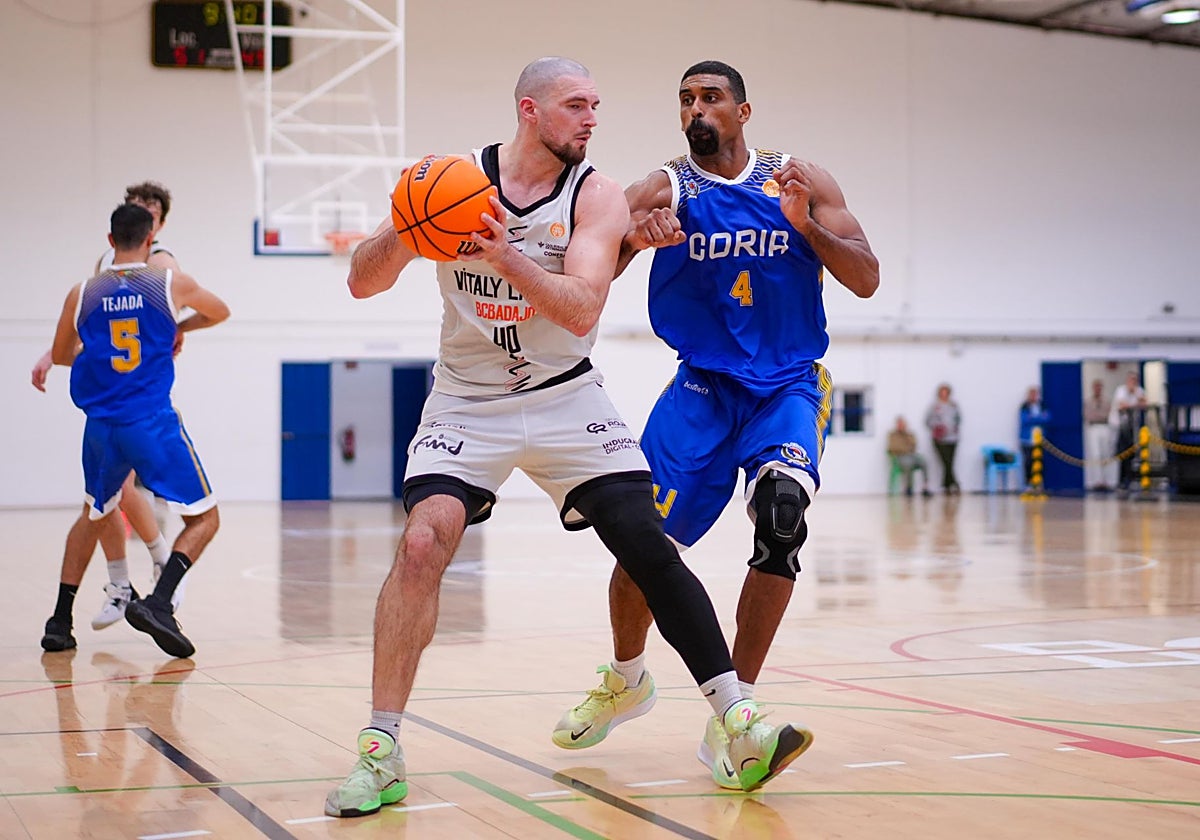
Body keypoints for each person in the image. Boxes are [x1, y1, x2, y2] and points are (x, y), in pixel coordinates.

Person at [324, 57, 810, 819]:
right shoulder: (450, 181)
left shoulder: (598, 195)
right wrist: (409, 234)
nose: (592, 119)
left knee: (648, 545)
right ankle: (380, 750)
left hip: (565, 396)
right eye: (577, 106)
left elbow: (582, 308)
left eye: (596, 105)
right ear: (530, 111)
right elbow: (361, 279)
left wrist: (502, 253)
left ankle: (738, 721)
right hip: (466, 401)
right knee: (424, 542)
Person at [552, 60, 878, 790]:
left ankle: (736, 714)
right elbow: (589, 264)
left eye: (711, 97)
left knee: (782, 516)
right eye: (686, 99)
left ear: (743, 110)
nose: (696, 108)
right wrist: (639, 239)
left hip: (787, 384)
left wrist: (807, 231)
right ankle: (626, 676)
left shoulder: (800, 181)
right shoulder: (663, 188)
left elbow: (865, 276)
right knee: (643, 545)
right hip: (700, 387)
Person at [39, 203, 229, 658]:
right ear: (150, 240)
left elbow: (63, 355)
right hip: (150, 422)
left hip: (101, 426)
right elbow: (220, 311)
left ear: (110, 241)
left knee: (94, 514)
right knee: (205, 517)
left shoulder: (82, 292)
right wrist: (175, 326)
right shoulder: (168, 282)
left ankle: (59, 621)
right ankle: (159, 603)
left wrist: (99, 344)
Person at [32, 181, 183, 630]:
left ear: (160, 224)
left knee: (110, 496)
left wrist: (182, 330)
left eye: (153, 209)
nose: (145, 213)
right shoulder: (106, 269)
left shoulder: (161, 262)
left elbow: (178, 314)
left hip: (138, 400)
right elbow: (85, 324)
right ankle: (119, 587)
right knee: (101, 503)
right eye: (139, 206)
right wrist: (51, 354)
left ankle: (151, 568)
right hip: (107, 393)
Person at [1109, 370, 1148, 494]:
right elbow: (1122, 405)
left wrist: (1135, 399)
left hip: (1132, 428)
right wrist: (1135, 403)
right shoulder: (1121, 390)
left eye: (1135, 380)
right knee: (1121, 454)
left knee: (1132, 454)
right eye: (1131, 380)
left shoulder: (1139, 390)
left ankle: (1130, 480)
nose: (1133, 383)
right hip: (1119, 426)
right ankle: (1120, 481)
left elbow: (1144, 403)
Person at [925, 383, 961, 494]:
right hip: (940, 439)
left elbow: (958, 419)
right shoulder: (934, 407)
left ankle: (947, 486)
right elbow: (928, 421)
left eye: (946, 392)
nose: (944, 395)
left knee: (950, 463)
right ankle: (955, 483)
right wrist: (937, 427)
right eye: (942, 392)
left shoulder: (953, 405)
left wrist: (954, 426)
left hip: (952, 438)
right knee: (946, 462)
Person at [1083, 379, 1115, 491]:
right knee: (1095, 454)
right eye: (1095, 387)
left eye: (1099, 387)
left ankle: (1107, 480)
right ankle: (1097, 480)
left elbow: (1106, 414)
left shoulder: (1106, 401)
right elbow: (1088, 416)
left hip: (1104, 427)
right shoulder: (1088, 402)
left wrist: (1097, 415)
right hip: (1093, 427)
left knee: (1105, 454)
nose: (1097, 389)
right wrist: (1098, 415)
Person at [888, 416, 932, 497]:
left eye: (903, 424)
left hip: (911, 455)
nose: (901, 426)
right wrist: (905, 448)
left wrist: (905, 437)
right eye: (900, 424)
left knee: (923, 462)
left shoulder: (909, 434)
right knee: (908, 464)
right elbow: (892, 448)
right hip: (899, 457)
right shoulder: (892, 435)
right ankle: (909, 488)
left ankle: (925, 487)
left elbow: (914, 445)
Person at [1018, 386, 1050, 490]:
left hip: (1039, 439)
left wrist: (1033, 418)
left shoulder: (1042, 406)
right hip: (1027, 439)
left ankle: (1038, 484)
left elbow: (1047, 419)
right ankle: (1028, 484)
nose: (1033, 396)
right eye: (1031, 394)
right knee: (1028, 462)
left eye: (1035, 394)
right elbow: (1025, 420)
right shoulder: (1024, 407)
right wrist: (1039, 418)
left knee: (1039, 462)